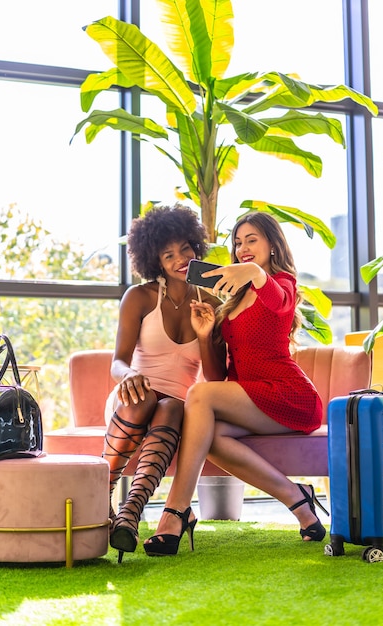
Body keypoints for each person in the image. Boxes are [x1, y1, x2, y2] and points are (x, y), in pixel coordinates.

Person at [144, 211, 328, 557]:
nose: (243, 248)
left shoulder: (282, 284)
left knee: (196, 395)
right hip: (252, 398)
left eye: (252, 240)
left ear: (272, 245)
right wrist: (204, 337)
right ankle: (298, 499)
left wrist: (256, 272)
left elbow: (279, 300)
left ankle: (176, 510)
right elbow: (217, 380)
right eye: (238, 242)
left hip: (290, 396)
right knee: (207, 432)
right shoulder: (232, 301)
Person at [103, 204, 225, 562]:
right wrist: (128, 375)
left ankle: (130, 511)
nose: (179, 259)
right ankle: (104, 493)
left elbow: (216, 379)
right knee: (146, 400)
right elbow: (118, 361)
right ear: (155, 259)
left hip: (175, 409)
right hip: (133, 395)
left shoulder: (211, 303)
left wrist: (205, 335)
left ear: (196, 247)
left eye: (185, 248)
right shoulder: (139, 297)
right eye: (168, 253)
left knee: (173, 403)